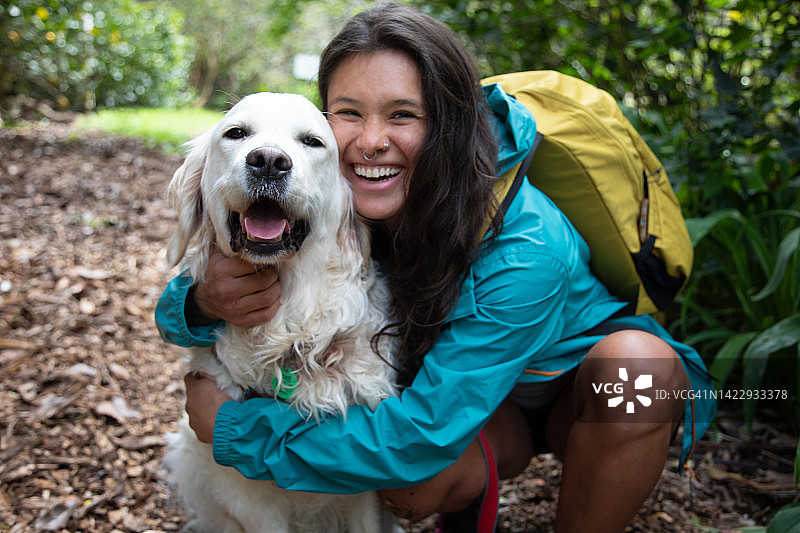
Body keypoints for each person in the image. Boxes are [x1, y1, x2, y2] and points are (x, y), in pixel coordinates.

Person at [155, 4, 715, 532]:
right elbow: (212, 282)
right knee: (416, 484)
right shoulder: (334, 193)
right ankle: (467, 493)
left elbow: (418, 434)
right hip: (486, 410)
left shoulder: (529, 247)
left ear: (447, 122)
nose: (372, 142)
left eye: (403, 115)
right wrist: (199, 303)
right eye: (349, 113)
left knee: (637, 370)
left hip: (574, 397)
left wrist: (234, 430)